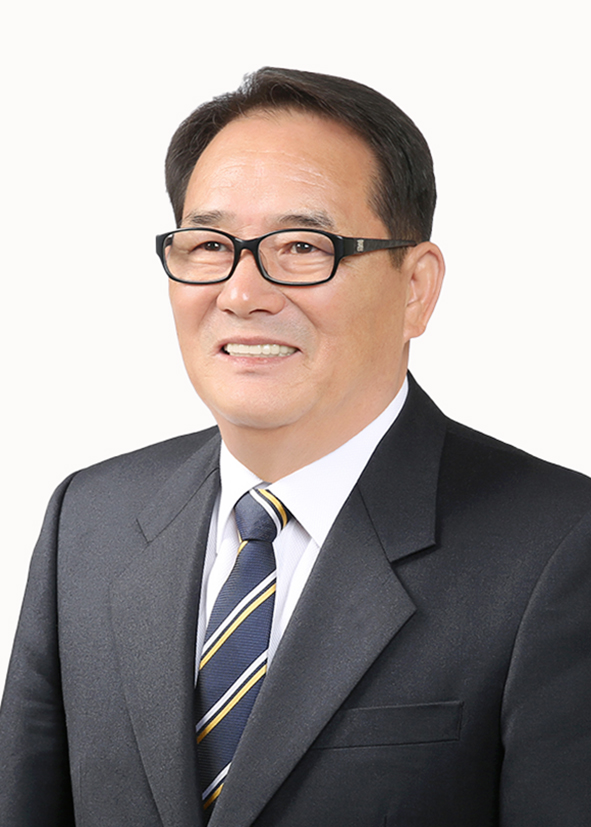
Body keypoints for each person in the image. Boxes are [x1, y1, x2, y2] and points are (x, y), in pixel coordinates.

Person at [0, 67, 590, 827]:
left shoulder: (559, 545)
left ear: (416, 287)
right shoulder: (89, 520)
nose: (242, 293)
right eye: (209, 244)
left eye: (304, 246)